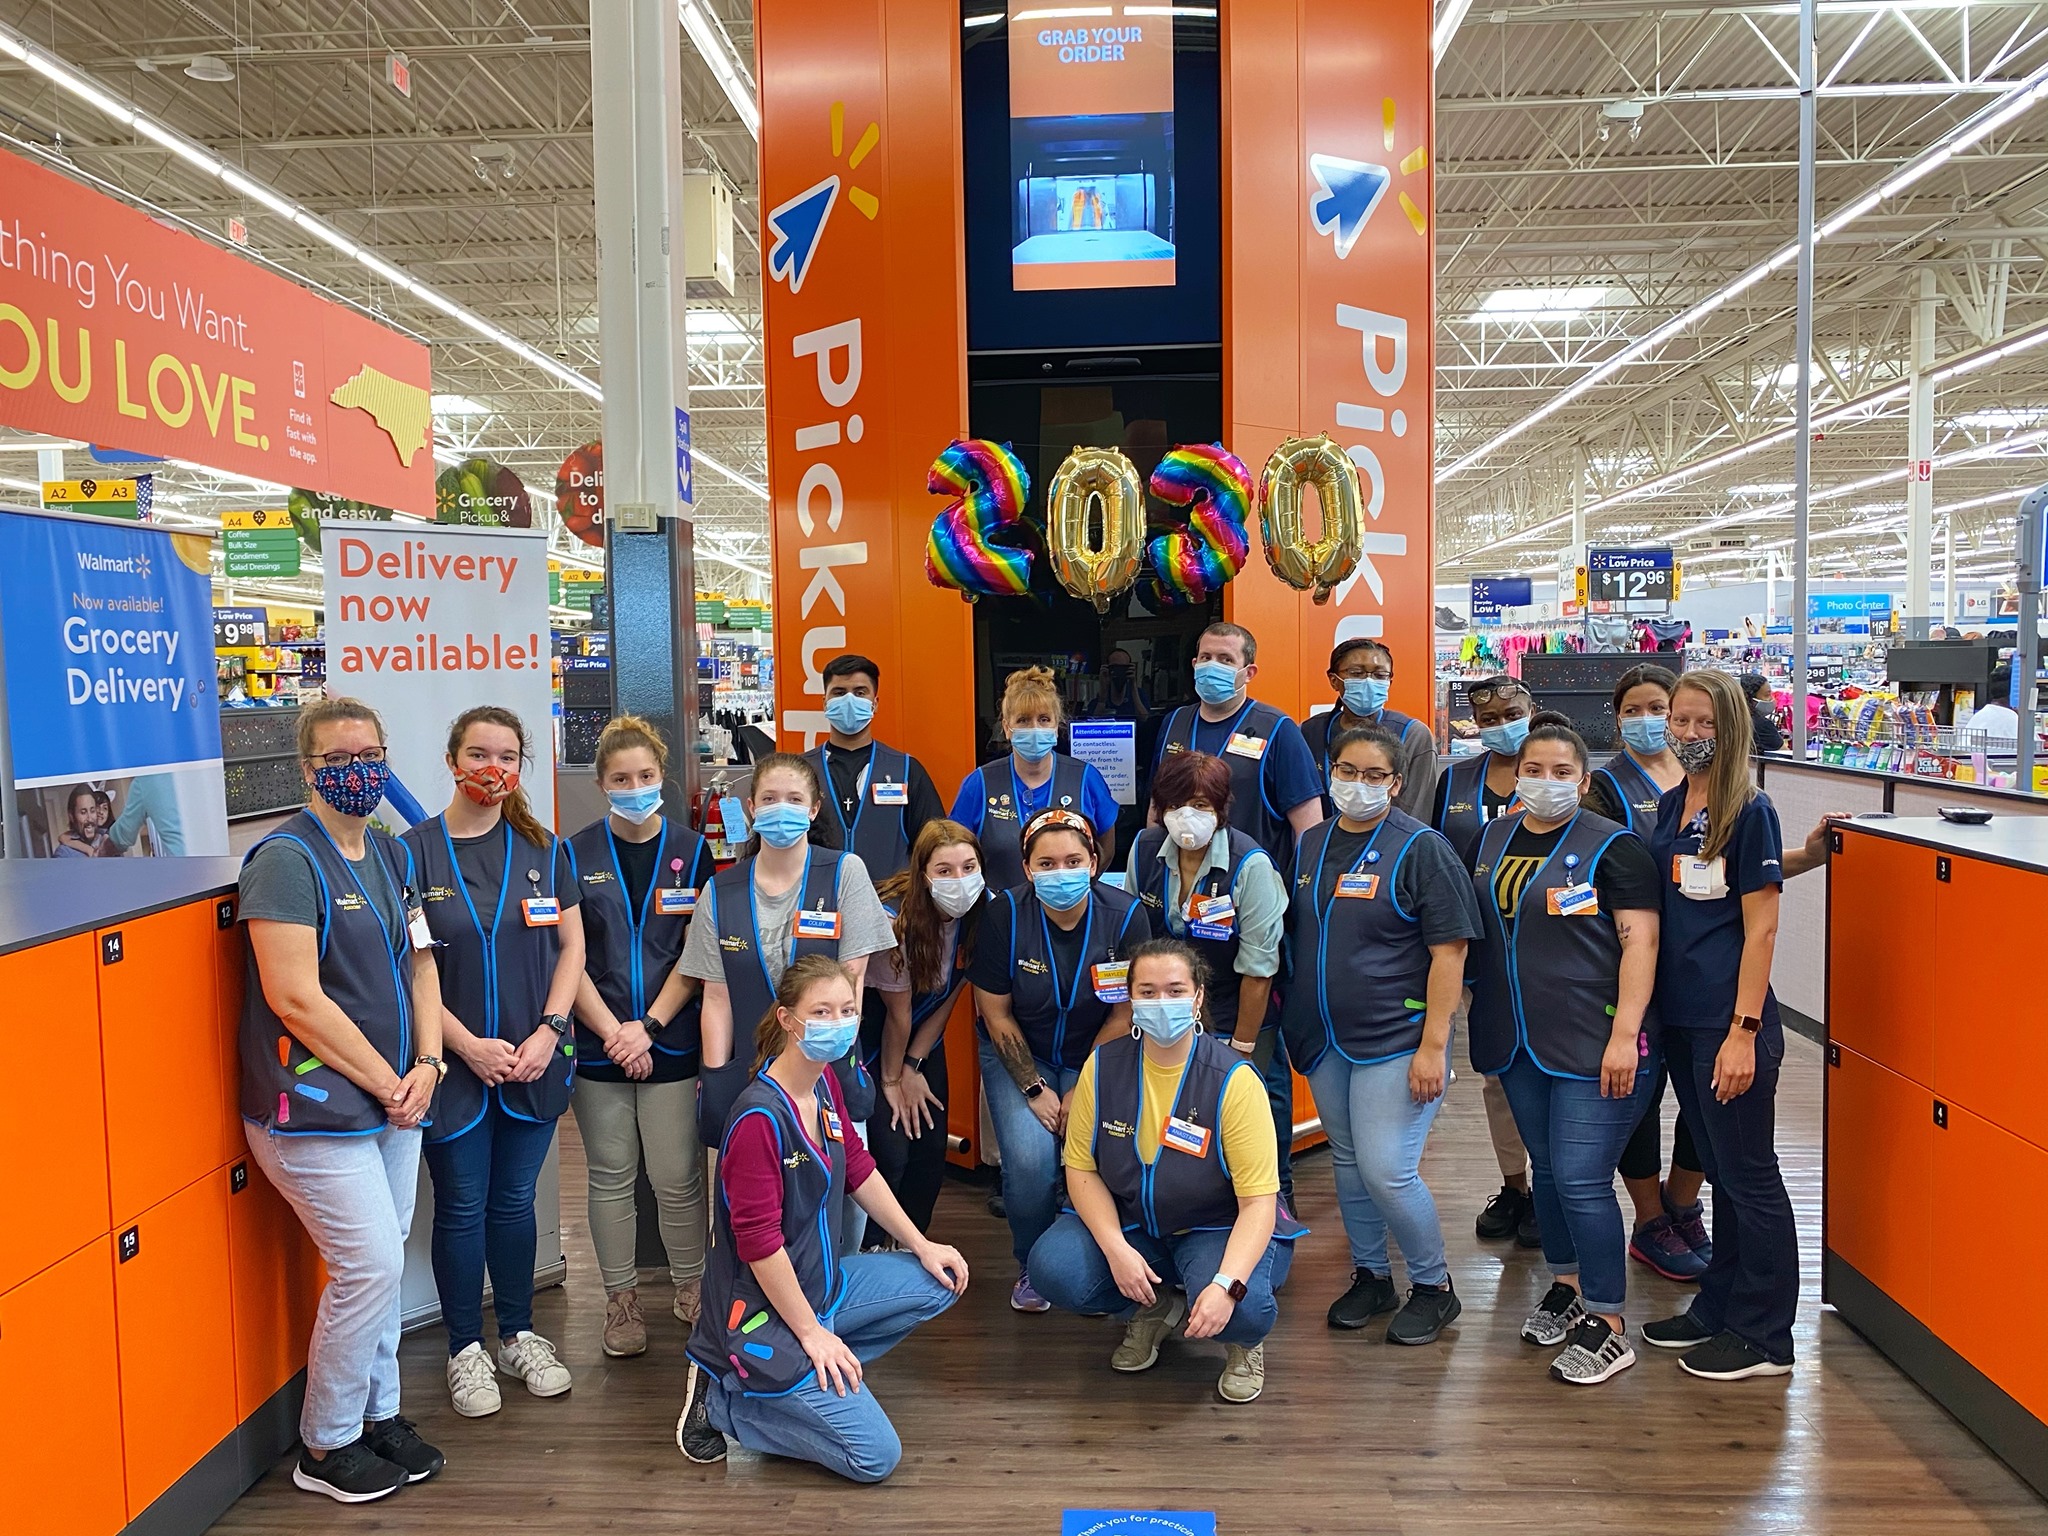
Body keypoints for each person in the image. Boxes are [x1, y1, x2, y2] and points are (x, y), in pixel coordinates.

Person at [236, 696, 447, 1503]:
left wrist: (428, 1061)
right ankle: (325, 1444)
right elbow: (293, 996)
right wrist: (391, 1082)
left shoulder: (389, 852)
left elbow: (422, 962)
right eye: (338, 759)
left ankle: (378, 1415)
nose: (358, 771)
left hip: (397, 1098)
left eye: (370, 756)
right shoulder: (287, 860)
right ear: (308, 769)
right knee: (370, 1263)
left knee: (383, 1264)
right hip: (315, 1111)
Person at [676, 955, 970, 1481]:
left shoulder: (825, 1082)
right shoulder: (758, 1118)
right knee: (875, 1458)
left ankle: (818, 1372)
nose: (838, 1023)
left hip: (824, 1287)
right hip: (763, 1312)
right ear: (788, 1020)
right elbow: (760, 1246)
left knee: (940, 1281)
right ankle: (728, 1403)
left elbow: (858, 1168)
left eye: (847, 1011)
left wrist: (921, 1244)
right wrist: (812, 1334)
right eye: (821, 1011)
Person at [1467, 720, 1662, 1386]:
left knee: (1580, 1177)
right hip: (1518, 1037)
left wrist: (1624, 1034)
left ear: (1583, 782)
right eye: (1533, 770)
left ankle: (1609, 1322)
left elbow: (1641, 944)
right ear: (1515, 777)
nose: (1544, 782)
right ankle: (1569, 1284)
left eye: (1560, 772)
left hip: (1595, 1039)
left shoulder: (1615, 848)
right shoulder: (1491, 839)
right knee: (1548, 1171)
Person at [403, 707, 584, 1417]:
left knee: (514, 1201)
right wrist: (463, 1045)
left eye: (507, 757)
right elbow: (410, 965)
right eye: (479, 754)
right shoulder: (412, 854)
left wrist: (549, 1032)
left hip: (533, 1060)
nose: (493, 769)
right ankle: (464, 1349)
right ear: (453, 761)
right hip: (454, 1065)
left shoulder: (544, 849)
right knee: (461, 1204)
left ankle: (517, 1336)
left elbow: (571, 948)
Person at [1029, 939, 1304, 1403]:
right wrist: (1115, 1249)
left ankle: (1243, 1343)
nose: (1161, 1003)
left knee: (1243, 1307)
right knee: (1053, 1268)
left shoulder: (1234, 1079)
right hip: (1135, 1223)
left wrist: (1225, 1285)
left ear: (1197, 998)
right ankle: (1154, 1309)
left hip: (1217, 1227)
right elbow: (1081, 1169)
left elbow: (1259, 1203)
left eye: (1175, 991)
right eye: (1148, 992)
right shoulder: (1102, 1067)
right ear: (1131, 999)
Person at [1284, 725, 1481, 1346]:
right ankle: (1371, 1276)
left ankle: (1433, 1286)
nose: (1358, 785)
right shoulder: (1312, 842)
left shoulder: (1422, 848)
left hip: (1397, 1037)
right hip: (1325, 1037)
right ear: (1329, 773)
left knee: (1387, 1169)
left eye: (1374, 776)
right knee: (1347, 1162)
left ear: (1396, 784)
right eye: (1347, 771)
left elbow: (1450, 952)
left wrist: (1434, 1046)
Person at [1641, 668, 1800, 1380]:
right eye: (1680, 720)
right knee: (1722, 1175)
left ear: (1731, 727)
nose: (1689, 733)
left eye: (1705, 722)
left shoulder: (1749, 809)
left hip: (1728, 1025)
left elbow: (1761, 928)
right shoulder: (1673, 803)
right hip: (1681, 1020)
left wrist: (1743, 1031)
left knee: (1750, 1178)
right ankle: (1719, 1308)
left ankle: (1765, 1336)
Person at [562, 715, 719, 1358]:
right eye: (621, 779)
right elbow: (567, 955)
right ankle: (620, 1300)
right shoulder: (573, 853)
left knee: (678, 1177)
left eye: (646, 776)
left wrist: (649, 1026)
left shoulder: (692, 850)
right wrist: (613, 1032)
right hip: (597, 1041)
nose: (635, 788)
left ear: (662, 777)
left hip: (670, 1037)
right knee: (610, 1174)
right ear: (601, 783)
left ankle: (692, 1289)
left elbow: (697, 951)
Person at [969, 807, 1151, 1311]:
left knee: (1101, 1151)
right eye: (1046, 864)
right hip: (1019, 1053)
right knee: (1031, 1163)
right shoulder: (1005, 914)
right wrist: (1034, 1088)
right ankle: (1032, 1263)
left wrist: (1081, 1088)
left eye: (1073, 861)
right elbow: (994, 1012)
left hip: (1097, 1050)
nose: (1061, 872)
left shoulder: (1126, 915)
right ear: (1027, 869)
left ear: (1094, 862)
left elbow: (1123, 1013)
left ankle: (1100, 1255)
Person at [687, 752, 897, 1170]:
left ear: (814, 808)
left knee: (841, 1189)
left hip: (826, 1069)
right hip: (750, 1078)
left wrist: (834, 1048)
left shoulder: (844, 873)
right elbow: (716, 997)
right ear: (751, 808)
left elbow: (852, 979)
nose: (781, 808)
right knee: (757, 1195)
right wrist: (716, 1077)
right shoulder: (721, 891)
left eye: (794, 799)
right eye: (769, 799)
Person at [1125, 749, 1292, 1206]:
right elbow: (1131, 935)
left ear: (1220, 808)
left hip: (1241, 1009)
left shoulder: (1250, 865)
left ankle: (1275, 1204)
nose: (1187, 816)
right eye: (1176, 804)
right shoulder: (1144, 850)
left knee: (1252, 1106)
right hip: (1168, 1008)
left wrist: (1242, 1047)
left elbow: (1259, 969)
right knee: (1182, 1109)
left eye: (1200, 805)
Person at [1434, 675, 1541, 1247]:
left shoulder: (1554, 773)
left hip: (1551, 953)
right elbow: (1434, 856)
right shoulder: (1456, 779)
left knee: (1551, 1071)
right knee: (1498, 1076)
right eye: (1489, 718)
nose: (1501, 725)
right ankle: (1515, 1186)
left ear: (1532, 710)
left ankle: (1552, 1189)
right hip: (1479, 952)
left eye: (1511, 713)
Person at [864, 819, 987, 1236]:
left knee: (931, 1148)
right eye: (945, 871)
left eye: (969, 868)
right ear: (923, 875)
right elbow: (897, 1014)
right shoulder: (894, 920)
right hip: (875, 1035)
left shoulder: (984, 913)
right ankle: (872, 1247)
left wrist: (915, 1063)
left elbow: (951, 994)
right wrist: (894, 1079)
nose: (960, 880)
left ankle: (913, 1246)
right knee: (891, 1147)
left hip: (923, 1037)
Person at [1151, 622, 1323, 865]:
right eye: (1206, 657)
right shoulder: (1174, 722)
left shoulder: (1277, 728)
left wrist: (1300, 881)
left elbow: (1309, 826)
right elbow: (1156, 807)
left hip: (1250, 877)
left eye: (1226, 660)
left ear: (1249, 672)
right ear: (1195, 664)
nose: (1213, 666)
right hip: (1180, 875)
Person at [949, 664, 1120, 890]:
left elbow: (1106, 847)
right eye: (1023, 720)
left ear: (1056, 726)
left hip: (1069, 906)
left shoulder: (1085, 779)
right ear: (1007, 727)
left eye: (1044, 719)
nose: (1034, 728)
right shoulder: (980, 783)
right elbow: (955, 852)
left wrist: (1079, 888)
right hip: (1000, 908)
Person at [810, 653, 949, 881]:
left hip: (890, 900)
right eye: (839, 692)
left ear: (874, 704)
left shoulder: (906, 769)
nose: (849, 700)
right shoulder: (802, 772)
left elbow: (934, 847)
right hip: (820, 899)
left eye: (860, 692)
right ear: (825, 703)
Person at [1306, 638, 1438, 819]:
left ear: (1389, 682)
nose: (1368, 681)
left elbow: (1417, 812)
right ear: (1334, 680)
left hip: (1394, 836)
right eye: (1356, 673)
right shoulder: (1310, 732)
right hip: (1323, 834)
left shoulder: (1413, 735)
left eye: (1379, 675)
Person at [55, 783, 105, 857]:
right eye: (83, 812)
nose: (90, 818)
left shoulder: (107, 837)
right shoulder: (64, 853)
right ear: (72, 816)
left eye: (92, 811)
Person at [1741, 674, 1787, 753]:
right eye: (1767, 695)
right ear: (1749, 698)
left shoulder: (1730, 719)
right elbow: (1784, 753)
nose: (1771, 699)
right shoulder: (1762, 725)